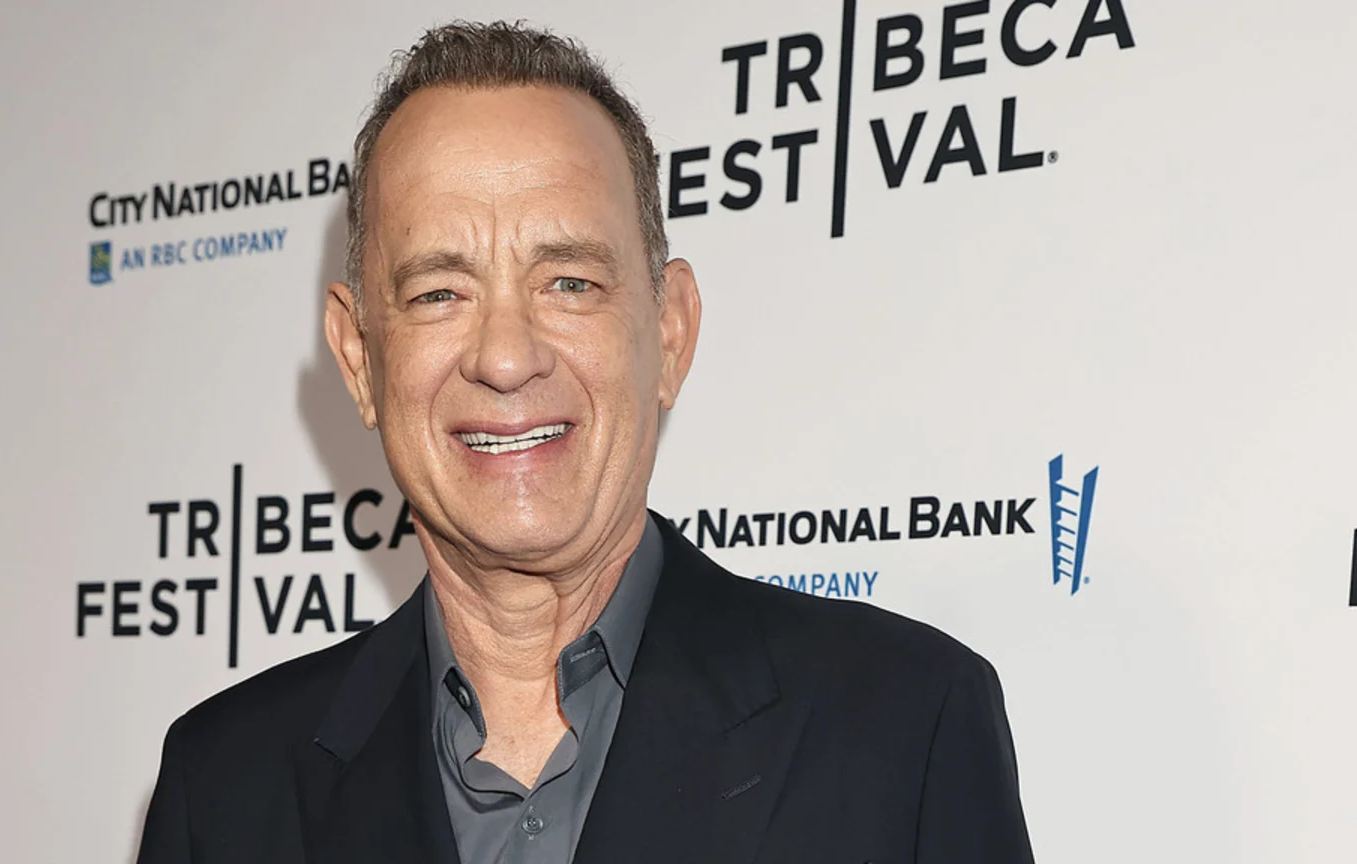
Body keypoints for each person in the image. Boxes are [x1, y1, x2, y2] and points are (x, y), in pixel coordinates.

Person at [136, 20, 1035, 864]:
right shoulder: (220, 790)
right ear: (360, 360)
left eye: (569, 282)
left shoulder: (906, 726)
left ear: (670, 333)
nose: (505, 356)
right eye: (438, 293)